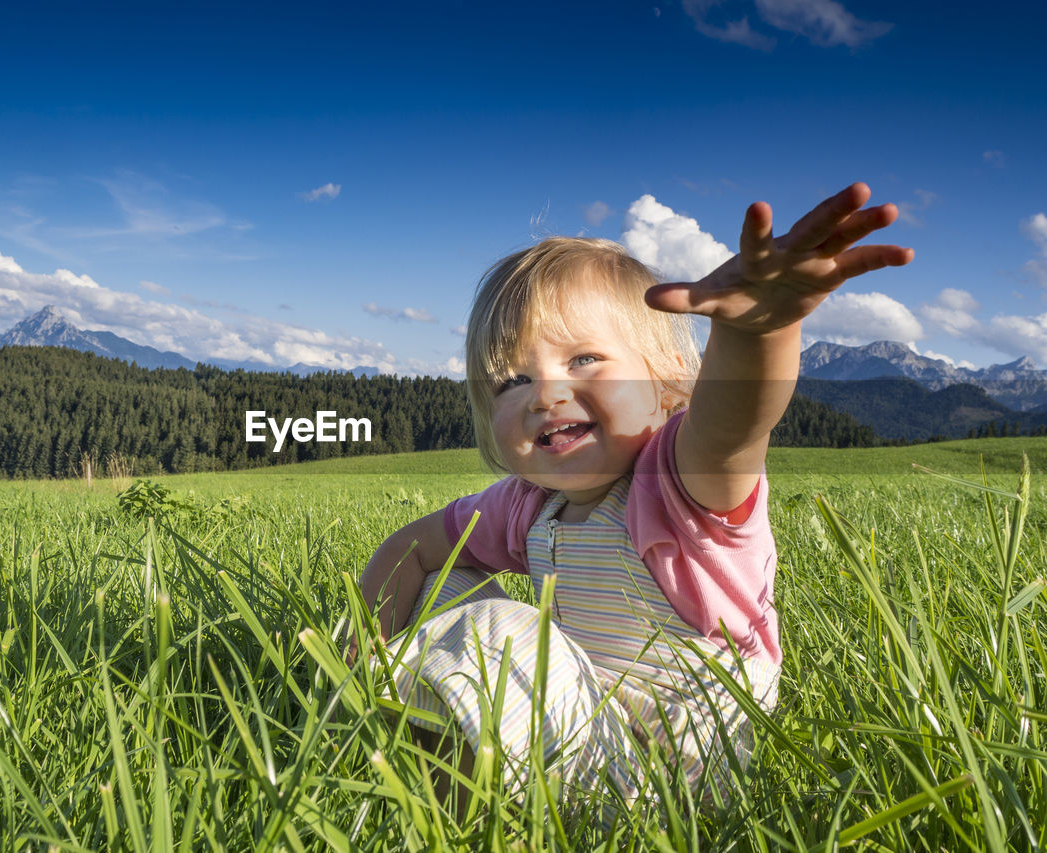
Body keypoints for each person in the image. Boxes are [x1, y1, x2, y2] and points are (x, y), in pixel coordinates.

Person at [356, 183, 912, 808]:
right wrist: (361, 647)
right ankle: (422, 771)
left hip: (679, 782)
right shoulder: (527, 503)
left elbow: (735, 426)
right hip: (584, 732)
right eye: (513, 379)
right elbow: (416, 545)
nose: (544, 395)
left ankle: (469, 816)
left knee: (495, 629)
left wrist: (760, 330)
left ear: (666, 383)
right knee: (442, 587)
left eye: (585, 358)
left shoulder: (678, 481)